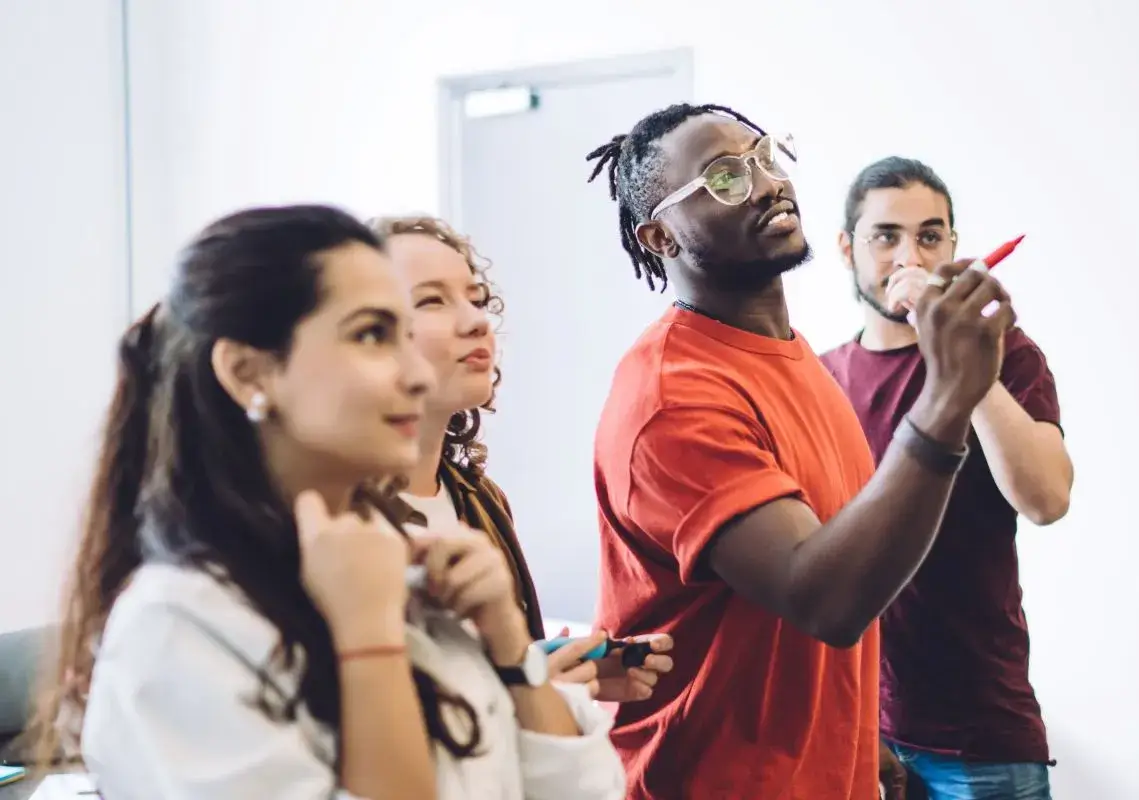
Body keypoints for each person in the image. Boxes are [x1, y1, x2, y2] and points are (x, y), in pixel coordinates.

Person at [28, 205, 625, 799]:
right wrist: (368, 638)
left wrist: (509, 648)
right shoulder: (178, 629)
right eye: (372, 334)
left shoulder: (408, 568)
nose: (416, 374)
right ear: (249, 373)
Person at [584, 102, 1016, 799]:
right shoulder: (670, 395)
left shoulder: (794, 358)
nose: (766, 183)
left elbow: (836, 569)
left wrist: (858, 741)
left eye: (765, 156)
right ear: (660, 236)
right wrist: (945, 401)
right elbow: (824, 598)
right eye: (726, 178)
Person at [821, 157, 1073, 800]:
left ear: (955, 249)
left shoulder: (1005, 354)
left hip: (981, 737)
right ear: (847, 248)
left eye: (930, 237)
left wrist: (966, 363)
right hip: (856, 733)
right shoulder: (819, 379)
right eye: (886, 236)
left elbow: (1046, 499)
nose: (910, 256)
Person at [368, 214, 675, 704]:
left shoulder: (480, 500)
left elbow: (501, 671)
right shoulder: (337, 522)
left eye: (476, 299)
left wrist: (558, 670)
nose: (476, 322)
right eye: (431, 300)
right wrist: (534, 692)